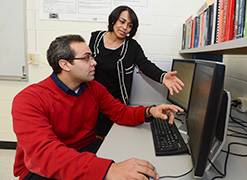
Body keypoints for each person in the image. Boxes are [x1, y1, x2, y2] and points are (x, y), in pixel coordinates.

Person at [12, 34, 183, 180]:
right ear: (65, 64)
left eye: (92, 57)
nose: (94, 62)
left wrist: (150, 111)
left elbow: (120, 112)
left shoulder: (94, 88)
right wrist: (108, 169)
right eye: (86, 58)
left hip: (84, 151)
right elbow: (44, 155)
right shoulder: (29, 99)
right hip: (43, 167)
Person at [89, 5, 184, 137]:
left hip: (117, 104)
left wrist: (162, 76)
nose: (125, 28)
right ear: (113, 20)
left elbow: (145, 65)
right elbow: (85, 63)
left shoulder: (132, 46)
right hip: (92, 100)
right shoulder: (95, 38)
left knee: (114, 138)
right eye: (122, 22)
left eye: (130, 25)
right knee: (93, 136)